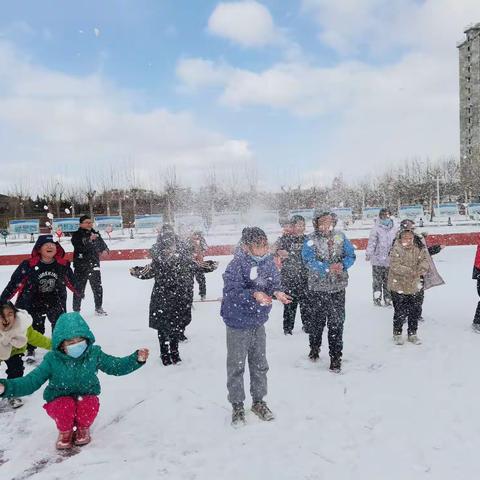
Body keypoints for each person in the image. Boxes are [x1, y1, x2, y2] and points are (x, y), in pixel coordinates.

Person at [0, 312, 149, 450]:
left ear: (87, 339)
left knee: (88, 404)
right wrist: (5, 387)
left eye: (80, 340)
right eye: (70, 341)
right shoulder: (52, 359)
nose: (76, 344)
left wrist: (135, 359)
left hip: (86, 395)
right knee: (64, 406)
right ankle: (65, 431)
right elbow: (30, 382)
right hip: (59, 398)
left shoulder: (94, 354)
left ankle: (83, 428)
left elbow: (115, 366)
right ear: (61, 344)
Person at [221, 227, 291, 426]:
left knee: (260, 364)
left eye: (265, 245)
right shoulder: (236, 265)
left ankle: (259, 401)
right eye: (257, 246)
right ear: (246, 247)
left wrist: (277, 292)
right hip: (237, 322)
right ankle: (237, 405)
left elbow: (273, 283)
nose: (262, 249)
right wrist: (253, 295)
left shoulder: (268, 263)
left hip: (258, 322)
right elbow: (232, 292)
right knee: (237, 366)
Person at [130, 230, 217, 365]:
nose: (169, 249)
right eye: (166, 246)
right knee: (163, 328)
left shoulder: (183, 260)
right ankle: (164, 354)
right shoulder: (158, 261)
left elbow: (199, 267)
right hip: (162, 299)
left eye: (171, 245)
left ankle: (175, 353)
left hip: (178, 299)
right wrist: (135, 271)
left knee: (175, 327)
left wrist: (211, 265)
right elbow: (145, 272)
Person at [0, 234, 80, 363]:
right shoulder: (29, 264)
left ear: (57, 248)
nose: (50, 246)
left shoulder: (62, 264)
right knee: (34, 327)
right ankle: (30, 349)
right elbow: (15, 283)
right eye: (46, 245)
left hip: (55, 299)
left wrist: (78, 291)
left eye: (53, 245)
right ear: (39, 249)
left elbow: (71, 280)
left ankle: (58, 348)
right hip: (32, 300)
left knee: (59, 324)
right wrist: (3, 300)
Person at [301, 209, 356, 372]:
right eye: (322, 221)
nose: (326, 225)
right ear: (316, 223)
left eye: (329, 221)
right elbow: (308, 260)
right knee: (317, 322)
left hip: (338, 287)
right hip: (318, 288)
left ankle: (335, 357)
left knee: (336, 323)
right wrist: (326, 268)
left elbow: (350, 255)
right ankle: (314, 347)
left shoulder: (340, 236)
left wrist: (343, 265)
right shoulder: (310, 239)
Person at [0, 302, 51, 409]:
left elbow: (37, 338)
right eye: (2, 316)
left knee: (16, 370)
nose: (6, 319)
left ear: (15, 315)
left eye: (10, 314)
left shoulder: (22, 327)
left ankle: (13, 394)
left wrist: (55, 345)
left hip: (15, 351)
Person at [387, 229, 430, 345]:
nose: (408, 240)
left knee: (414, 311)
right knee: (400, 311)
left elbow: (425, 260)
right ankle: (397, 333)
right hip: (398, 285)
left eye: (410, 238)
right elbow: (395, 265)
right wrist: (410, 271)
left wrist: (421, 269)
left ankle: (412, 333)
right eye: (405, 238)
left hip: (415, 285)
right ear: (400, 238)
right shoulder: (395, 249)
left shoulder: (418, 248)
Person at [273, 215, 309, 334]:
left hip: (305, 277)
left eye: (303, 225)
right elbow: (273, 249)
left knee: (306, 305)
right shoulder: (285, 239)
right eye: (298, 225)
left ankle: (307, 326)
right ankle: (287, 329)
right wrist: (278, 251)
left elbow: (308, 256)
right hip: (289, 278)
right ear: (292, 226)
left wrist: (291, 255)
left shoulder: (308, 240)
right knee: (289, 304)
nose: (301, 227)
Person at [71, 215, 109, 316]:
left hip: (94, 264)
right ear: (81, 224)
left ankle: (98, 308)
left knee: (97, 287)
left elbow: (102, 245)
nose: (89, 224)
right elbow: (79, 247)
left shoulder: (95, 233)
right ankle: (76, 310)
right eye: (87, 222)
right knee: (79, 288)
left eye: (90, 222)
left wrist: (105, 250)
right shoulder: (76, 235)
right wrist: (89, 240)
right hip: (81, 265)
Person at [365, 208, 398, 306]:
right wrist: (369, 253)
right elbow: (372, 242)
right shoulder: (376, 228)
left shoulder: (395, 228)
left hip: (390, 260)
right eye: (383, 215)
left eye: (387, 215)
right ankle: (377, 299)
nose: (385, 217)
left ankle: (388, 298)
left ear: (390, 215)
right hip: (377, 260)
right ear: (380, 216)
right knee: (377, 281)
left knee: (388, 281)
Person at [189, 231, 209, 301]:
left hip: (197, 263)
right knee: (194, 280)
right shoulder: (189, 240)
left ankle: (202, 294)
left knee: (200, 280)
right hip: (193, 263)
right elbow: (205, 248)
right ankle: (199, 294)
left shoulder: (200, 240)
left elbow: (205, 248)